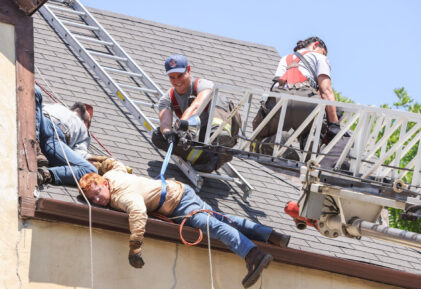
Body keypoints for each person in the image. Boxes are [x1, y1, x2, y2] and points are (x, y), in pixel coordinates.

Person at [79, 158, 290, 288]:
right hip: (178, 190)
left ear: (104, 183)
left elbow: (138, 211)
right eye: (93, 199)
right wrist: (100, 163)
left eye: (97, 192)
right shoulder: (113, 175)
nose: (98, 200)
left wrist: (135, 246)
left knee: (210, 225)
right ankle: (271, 235)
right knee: (221, 218)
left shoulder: (119, 196)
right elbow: (114, 163)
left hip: (178, 203)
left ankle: (253, 255)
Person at [252, 37, 345, 161]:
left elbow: (278, 83)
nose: (324, 55)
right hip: (305, 103)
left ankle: (274, 141)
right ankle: (311, 142)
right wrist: (334, 125)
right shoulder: (320, 58)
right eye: (323, 52)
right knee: (320, 120)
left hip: (278, 103)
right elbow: (326, 91)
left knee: (259, 135)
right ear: (316, 45)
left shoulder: (285, 58)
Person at [152, 54, 241, 173]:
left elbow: (197, 106)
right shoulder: (168, 98)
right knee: (158, 136)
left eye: (180, 75)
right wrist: (169, 133)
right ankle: (204, 159)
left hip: (225, 129)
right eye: (172, 77)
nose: (177, 81)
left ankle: (220, 134)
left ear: (188, 70)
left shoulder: (203, 85)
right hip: (201, 135)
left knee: (215, 96)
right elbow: (164, 121)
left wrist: (181, 124)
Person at [35, 85, 101, 186]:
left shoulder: (85, 132)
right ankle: (34, 145)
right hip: (40, 121)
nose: (87, 110)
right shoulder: (57, 106)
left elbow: (80, 154)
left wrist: (99, 160)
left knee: (90, 171)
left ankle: (45, 175)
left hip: (54, 140)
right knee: (34, 89)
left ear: (86, 124)